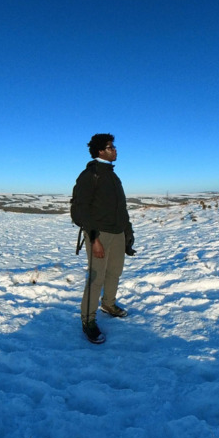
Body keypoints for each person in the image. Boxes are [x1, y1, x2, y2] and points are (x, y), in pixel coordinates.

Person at [71, 133, 135, 345]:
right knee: (96, 277)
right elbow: (81, 210)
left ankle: (108, 304)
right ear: (100, 151)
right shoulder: (90, 175)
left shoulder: (112, 175)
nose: (115, 150)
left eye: (113, 146)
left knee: (114, 272)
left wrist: (128, 233)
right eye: (110, 147)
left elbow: (121, 209)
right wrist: (94, 238)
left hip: (117, 234)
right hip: (99, 235)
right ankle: (88, 321)